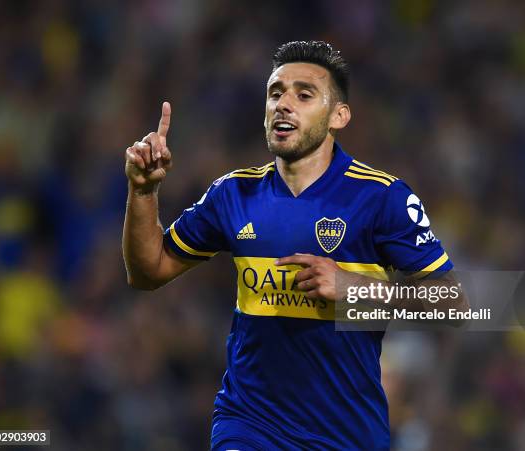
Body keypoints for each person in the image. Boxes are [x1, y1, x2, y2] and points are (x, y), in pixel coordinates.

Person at [122, 40, 466, 450]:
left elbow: (454, 304)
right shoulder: (233, 194)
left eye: (304, 95)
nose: (283, 104)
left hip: (346, 435)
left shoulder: (383, 197)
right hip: (249, 424)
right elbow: (147, 272)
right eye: (275, 93)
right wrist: (142, 192)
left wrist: (354, 291)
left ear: (339, 116)